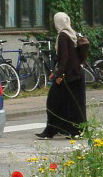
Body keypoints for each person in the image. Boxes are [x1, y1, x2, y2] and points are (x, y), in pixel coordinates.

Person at [35, 12, 87, 140]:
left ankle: (53, 129)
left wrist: (59, 74)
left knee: (53, 102)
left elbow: (64, 57)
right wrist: (57, 71)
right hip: (77, 74)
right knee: (74, 103)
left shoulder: (63, 36)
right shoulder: (73, 34)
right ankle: (75, 130)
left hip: (68, 75)